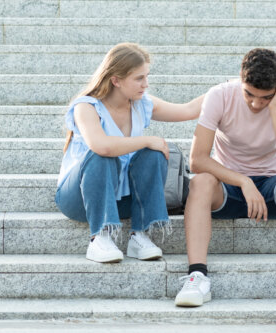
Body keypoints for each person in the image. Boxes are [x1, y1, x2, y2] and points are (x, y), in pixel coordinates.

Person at [174, 48, 276, 307]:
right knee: (200, 181)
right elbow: (197, 159)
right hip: (229, 188)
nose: (256, 103)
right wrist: (242, 181)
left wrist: (275, 111)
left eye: (265, 97)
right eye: (249, 94)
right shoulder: (219, 95)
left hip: (271, 188)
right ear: (240, 80)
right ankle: (196, 276)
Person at [55, 43, 203, 263]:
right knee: (103, 156)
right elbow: (101, 145)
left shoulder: (141, 104)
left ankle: (139, 235)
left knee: (154, 153)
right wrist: (146, 140)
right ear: (116, 80)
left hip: (122, 198)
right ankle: (100, 237)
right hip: (80, 198)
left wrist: (230, 88)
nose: (146, 84)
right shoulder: (86, 107)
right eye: (139, 78)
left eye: (146, 76)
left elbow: (188, 110)